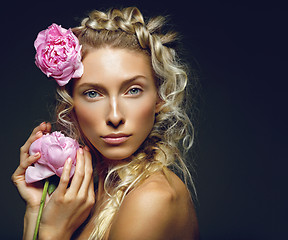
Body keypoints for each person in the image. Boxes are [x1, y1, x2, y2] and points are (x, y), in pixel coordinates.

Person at [12, 7, 199, 240]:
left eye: (133, 90)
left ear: (159, 98)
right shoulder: (91, 196)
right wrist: (36, 210)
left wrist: (52, 233)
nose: (114, 116)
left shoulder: (152, 199)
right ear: (72, 104)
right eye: (93, 93)